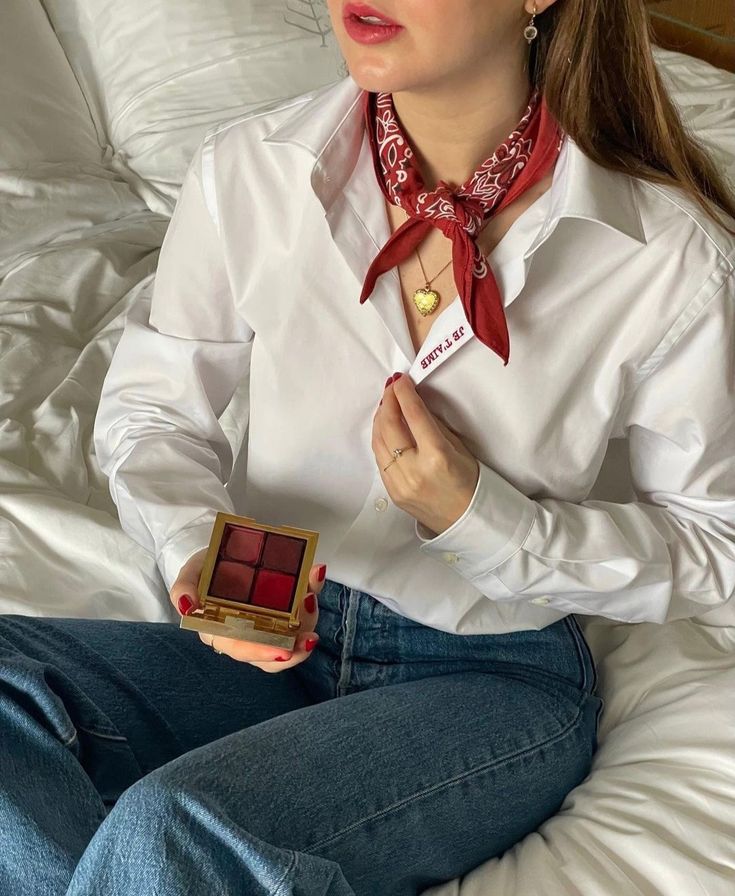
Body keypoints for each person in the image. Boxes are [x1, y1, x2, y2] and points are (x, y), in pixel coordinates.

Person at [1, 0, 734, 893]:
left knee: (178, 827)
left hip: (489, 673)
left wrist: (483, 518)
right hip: (278, 632)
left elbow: (714, 540)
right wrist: (202, 553)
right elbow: (153, 412)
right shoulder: (249, 171)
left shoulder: (667, 256)